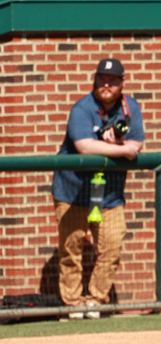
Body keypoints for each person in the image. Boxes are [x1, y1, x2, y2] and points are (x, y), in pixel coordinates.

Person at [52, 58, 144, 320]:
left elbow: (136, 143)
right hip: (72, 191)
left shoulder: (130, 107)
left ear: (122, 82)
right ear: (94, 80)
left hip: (110, 195)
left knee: (111, 247)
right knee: (71, 249)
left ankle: (95, 301)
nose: (106, 84)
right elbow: (84, 146)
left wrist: (122, 141)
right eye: (102, 78)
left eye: (113, 79)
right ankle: (72, 305)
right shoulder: (82, 107)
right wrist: (121, 149)